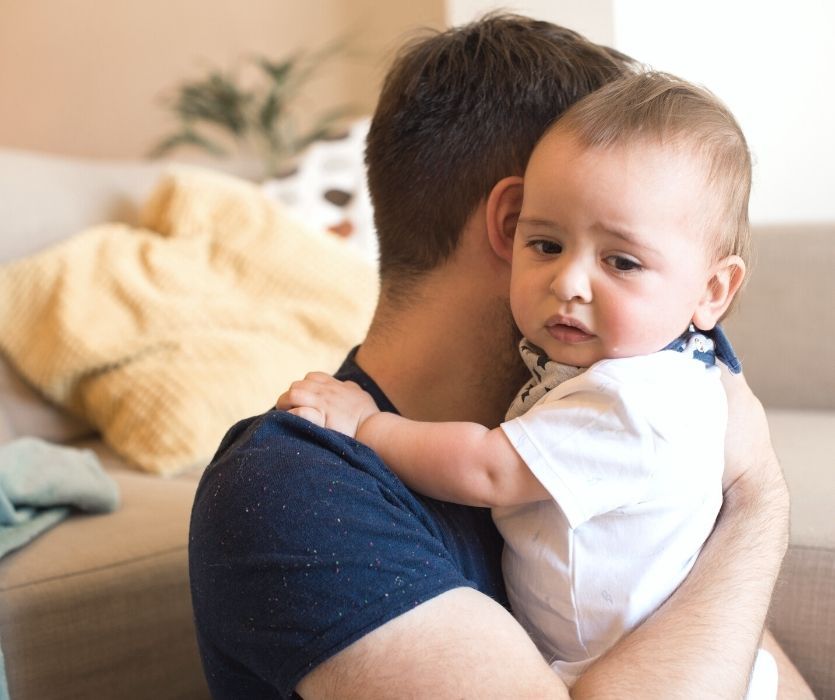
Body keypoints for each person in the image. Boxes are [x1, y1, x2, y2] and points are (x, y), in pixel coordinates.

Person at [189, 14, 807, 699]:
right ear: (515, 226)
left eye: (626, 259)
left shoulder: (646, 380)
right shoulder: (300, 488)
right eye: (558, 241)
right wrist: (756, 501)